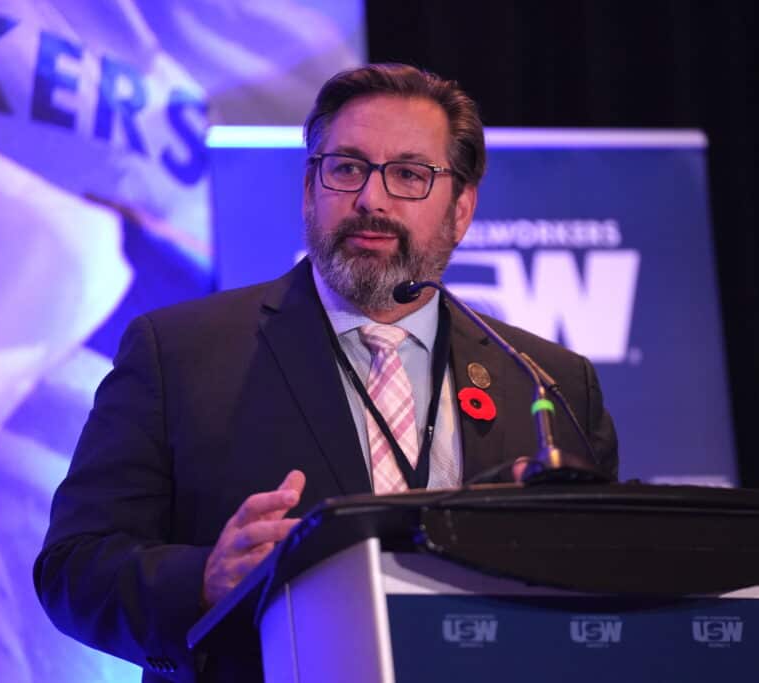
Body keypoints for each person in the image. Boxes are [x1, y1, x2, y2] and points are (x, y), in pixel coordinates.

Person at [34, 63, 618, 682]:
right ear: (310, 188)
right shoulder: (178, 353)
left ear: (461, 208)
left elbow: (605, 581)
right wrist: (203, 580)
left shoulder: (545, 381)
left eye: (410, 175)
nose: (371, 198)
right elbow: (74, 567)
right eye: (346, 168)